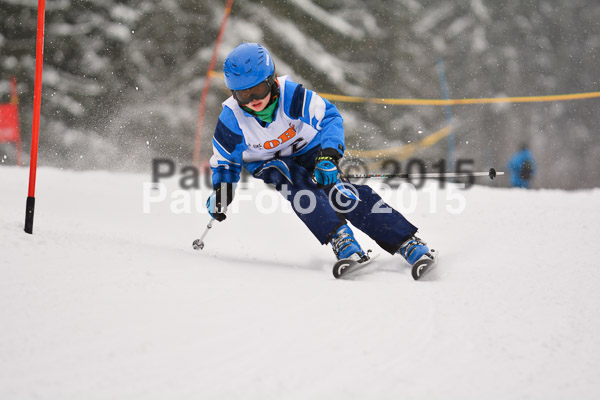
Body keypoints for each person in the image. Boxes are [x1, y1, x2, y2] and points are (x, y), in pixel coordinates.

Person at [206, 42, 436, 269]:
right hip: (267, 161)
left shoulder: (291, 96)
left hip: (309, 149)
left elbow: (329, 118)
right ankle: (340, 237)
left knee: (339, 191)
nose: (253, 100)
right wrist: (222, 191)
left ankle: (405, 240)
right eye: (243, 94)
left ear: (272, 81)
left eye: (258, 90)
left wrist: (328, 157)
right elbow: (225, 161)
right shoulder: (232, 119)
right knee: (293, 181)